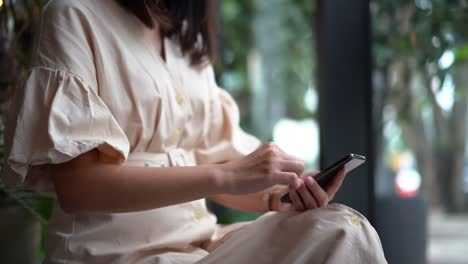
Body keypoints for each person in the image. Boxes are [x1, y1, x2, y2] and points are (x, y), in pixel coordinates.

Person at [4, 0, 387, 263]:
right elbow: (78, 187)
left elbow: (209, 161)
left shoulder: (184, 40)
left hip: (203, 245)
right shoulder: (74, 14)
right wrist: (228, 174)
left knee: (342, 230)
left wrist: (280, 195)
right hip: (114, 255)